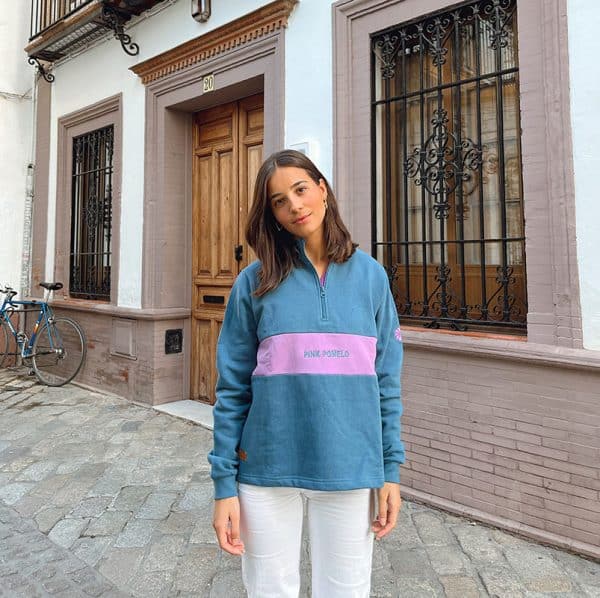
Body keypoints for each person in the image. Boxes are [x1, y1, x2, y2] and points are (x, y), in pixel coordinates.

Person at [208, 149, 405, 597]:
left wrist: (390, 470)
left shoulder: (372, 278)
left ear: (322, 189)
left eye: (300, 190)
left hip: (349, 468)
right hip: (265, 470)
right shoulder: (254, 284)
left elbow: (387, 383)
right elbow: (232, 390)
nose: (294, 205)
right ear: (272, 215)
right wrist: (224, 486)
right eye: (279, 200)